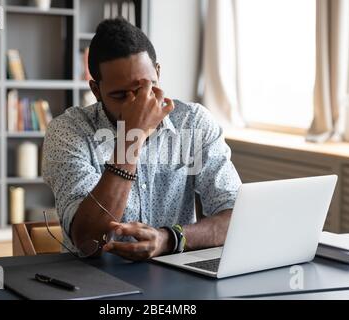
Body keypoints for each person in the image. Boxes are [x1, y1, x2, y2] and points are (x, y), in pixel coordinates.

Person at [42, 18, 241, 261]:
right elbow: (88, 241)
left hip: (175, 275)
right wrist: (131, 137)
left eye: (146, 88)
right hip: (94, 278)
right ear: (96, 91)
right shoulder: (68, 131)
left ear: (157, 72)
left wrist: (169, 239)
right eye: (120, 95)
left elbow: (237, 217)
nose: (138, 103)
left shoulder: (193, 122)